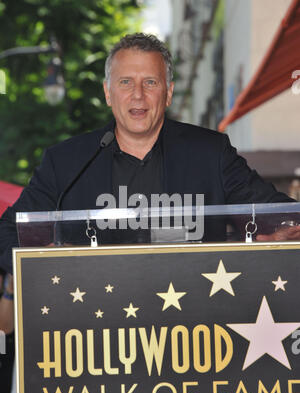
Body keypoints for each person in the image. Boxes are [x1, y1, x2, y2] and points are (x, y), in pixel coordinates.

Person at [0, 32, 299, 277]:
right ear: (108, 92)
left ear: (168, 93)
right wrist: (39, 261)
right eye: (126, 82)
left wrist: (286, 229)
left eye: (151, 82)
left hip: (197, 327)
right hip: (96, 332)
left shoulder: (211, 153)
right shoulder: (66, 163)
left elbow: (277, 213)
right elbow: (7, 233)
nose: (138, 95)